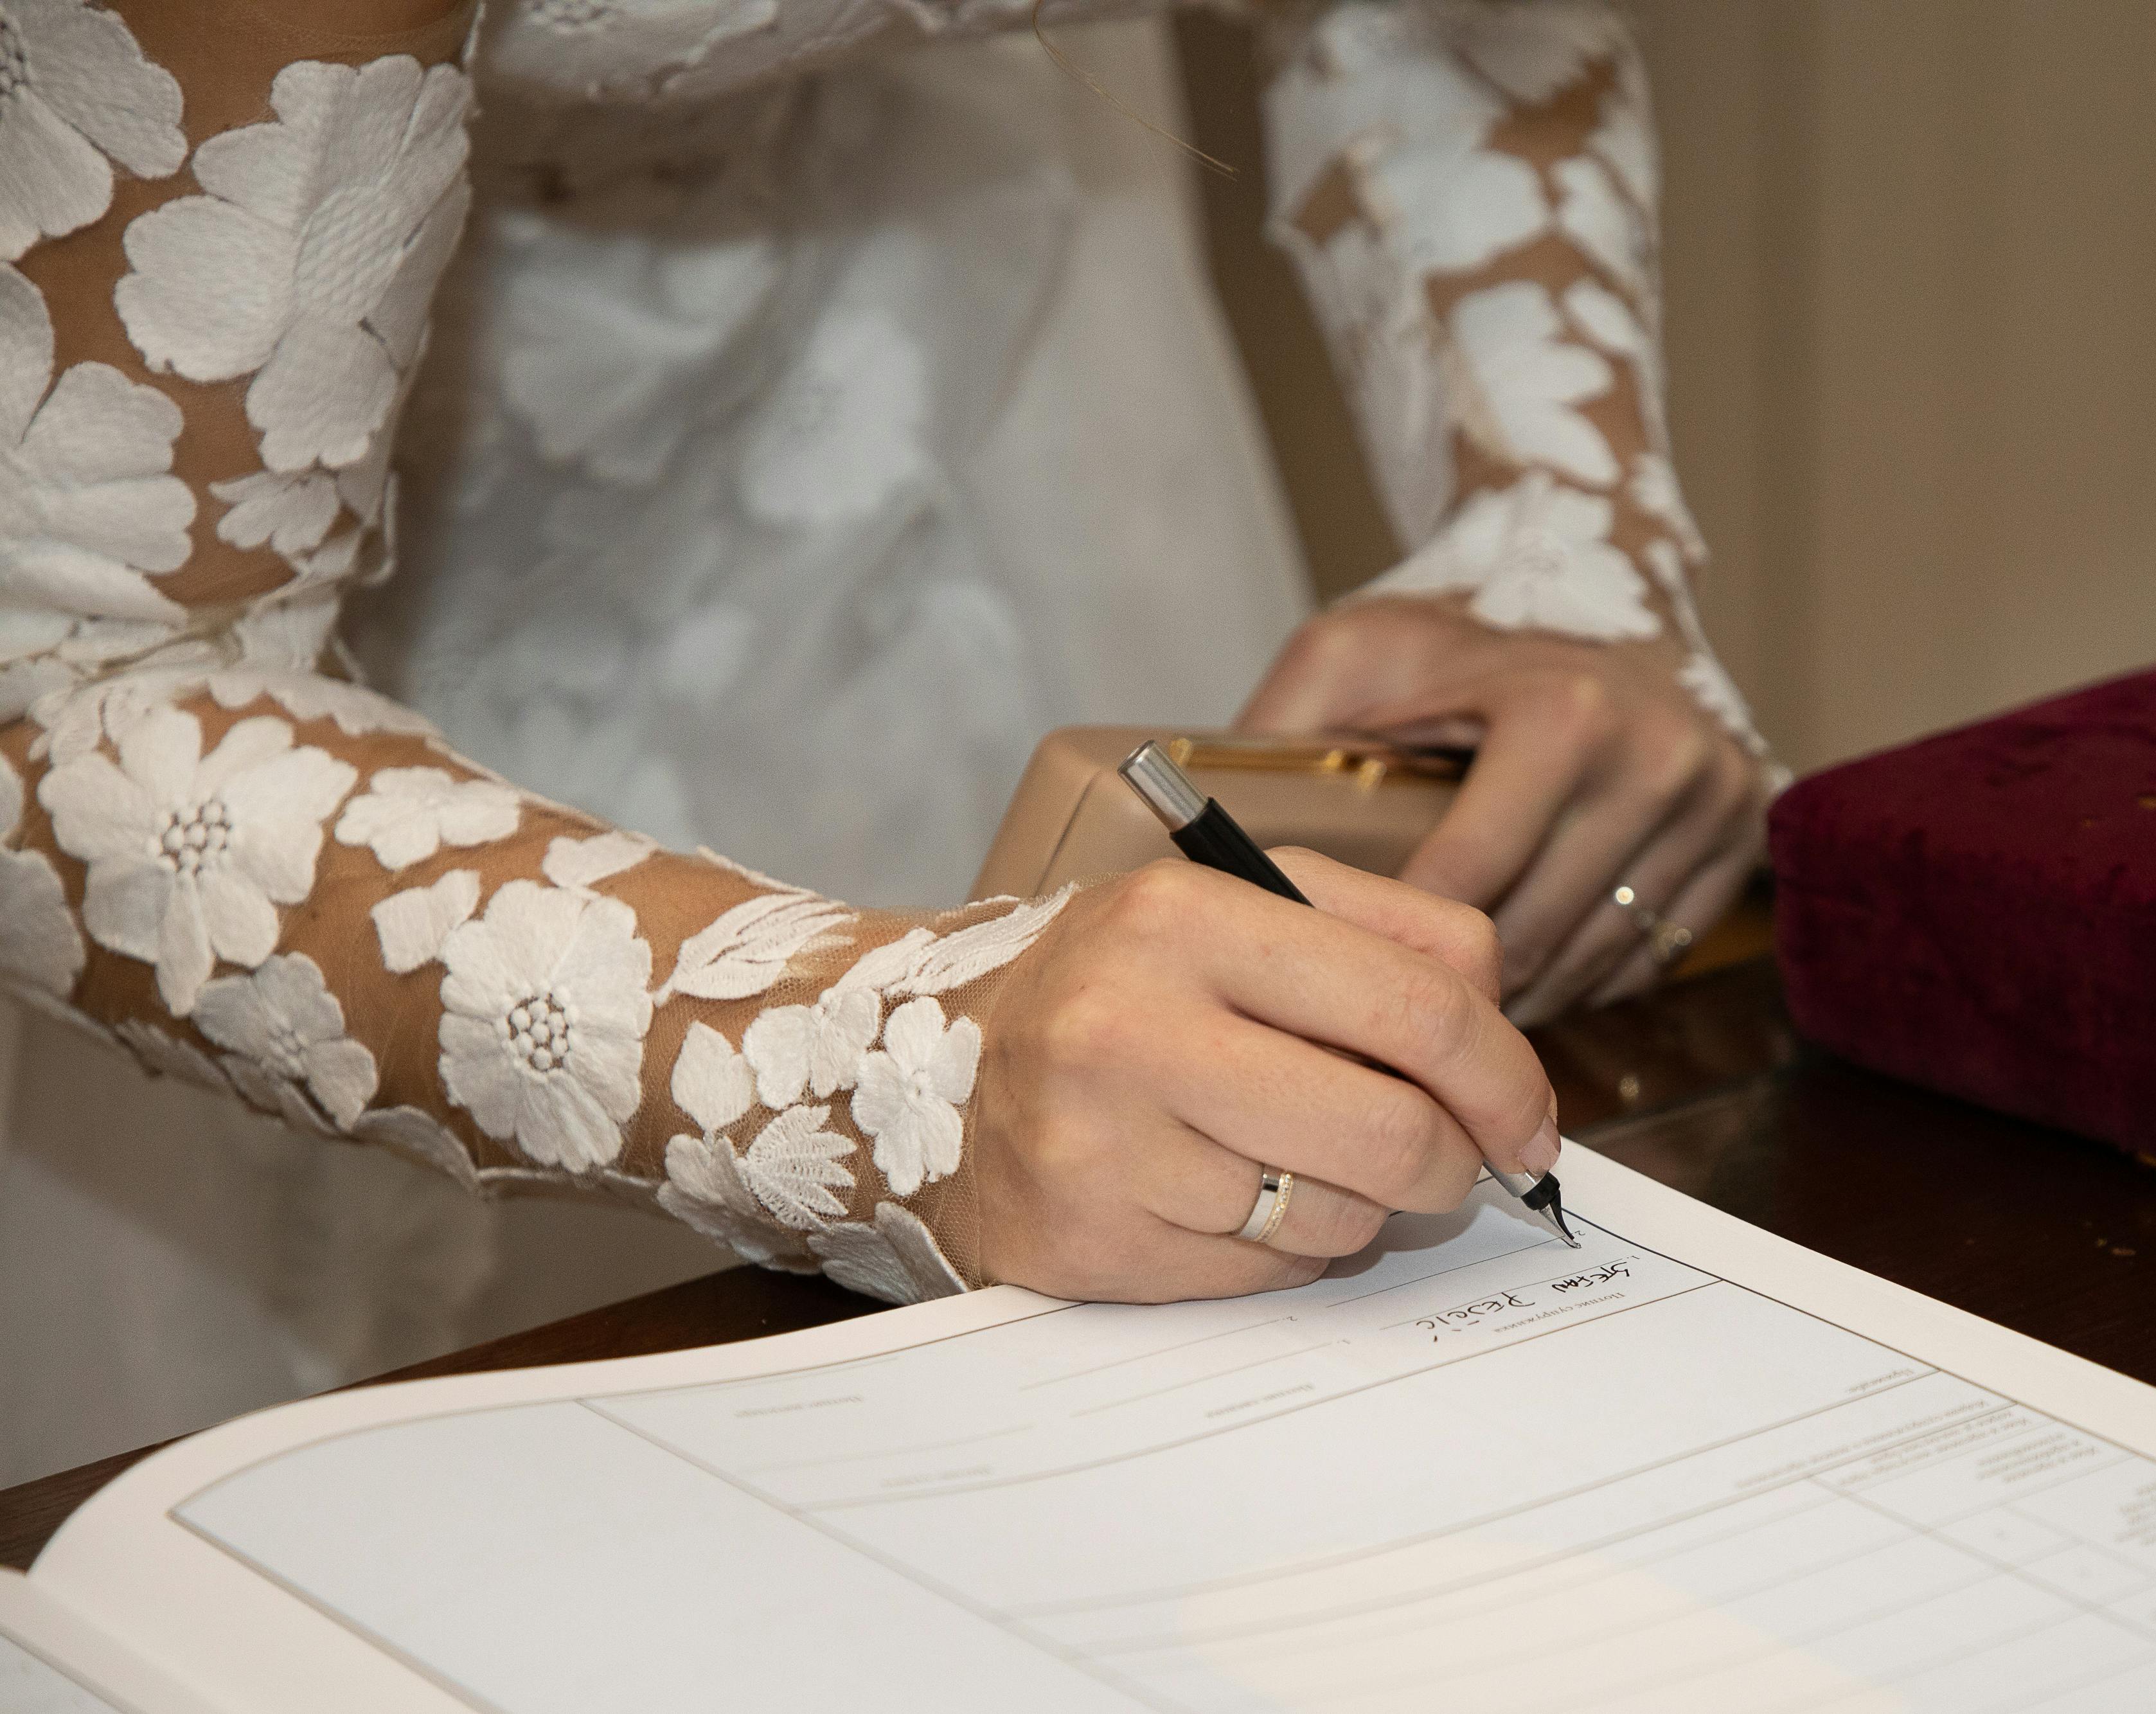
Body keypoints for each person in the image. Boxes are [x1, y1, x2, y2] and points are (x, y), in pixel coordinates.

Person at [0, 0, 1772, 1479]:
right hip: (261, 669)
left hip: (994, 357)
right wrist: (896, 1077)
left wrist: (1559, 528)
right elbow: (63, 688)